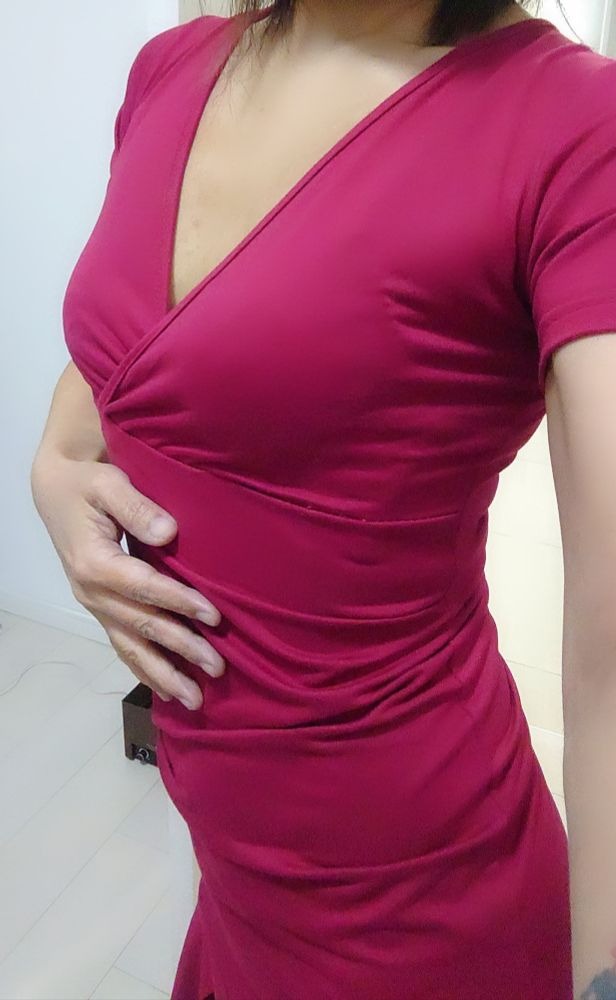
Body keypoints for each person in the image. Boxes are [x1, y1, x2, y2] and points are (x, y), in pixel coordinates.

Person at [31, 1, 616, 997]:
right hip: (231, 873)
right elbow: (126, 352)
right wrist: (53, 467)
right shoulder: (172, 66)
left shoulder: (575, 133)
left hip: (413, 900)